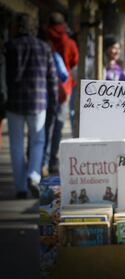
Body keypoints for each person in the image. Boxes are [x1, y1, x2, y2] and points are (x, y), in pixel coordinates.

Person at [5, 13, 58, 198]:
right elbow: (52, 79)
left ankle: (20, 187)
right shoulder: (44, 48)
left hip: (14, 103)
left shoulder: (9, 47)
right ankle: (34, 175)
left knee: (16, 145)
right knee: (38, 141)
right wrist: (54, 101)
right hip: (38, 102)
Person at [45, 12, 79, 175]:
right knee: (58, 125)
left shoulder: (44, 39)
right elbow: (74, 64)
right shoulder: (69, 42)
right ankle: (53, 161)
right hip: (64, 89)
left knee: (43, 126)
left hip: (44, 87)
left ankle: (40, 160)